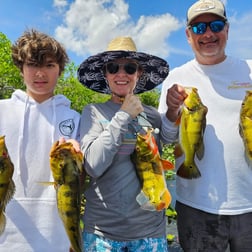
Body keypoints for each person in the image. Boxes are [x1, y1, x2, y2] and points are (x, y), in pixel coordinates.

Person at [158, 0, 252, 251]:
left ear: (227, 30)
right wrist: (171, 111)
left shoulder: (250, 70)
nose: (208, 34)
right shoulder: (175, 77)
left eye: (216, 25)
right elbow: (166, 140)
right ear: (188, 35)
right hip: (197, 206)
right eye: (199, 29)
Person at [77, 36, 173, 251]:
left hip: (150, 232)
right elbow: (92, 165)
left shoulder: (153, 116)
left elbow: (172, 140)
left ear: (138, 74)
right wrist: (123, 116)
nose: (121, 74)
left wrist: (175, 110)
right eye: (113, 68)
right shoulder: (93, 112)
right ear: (105, 74)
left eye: (129, 68)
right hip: (101, 233)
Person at [0, 29, 80, 251]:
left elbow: (80, 179)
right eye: (32, 64)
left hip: (57, 231)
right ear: (21, 68)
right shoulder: (1, 110)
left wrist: (79, 157)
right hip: (7, 231)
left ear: (60, 70)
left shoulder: (74, 118)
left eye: (49, 65)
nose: (40, 73)